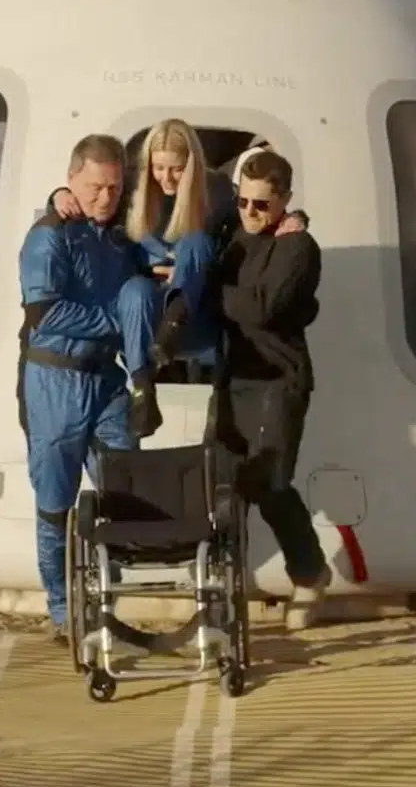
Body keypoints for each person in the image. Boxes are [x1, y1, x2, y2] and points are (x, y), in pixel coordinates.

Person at [45, 121, 307, 436]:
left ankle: (174, 321)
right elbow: (95, 207)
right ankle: (142, 390)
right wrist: (58, 195)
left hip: (192, 314)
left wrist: (294, 218)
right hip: (144, 318)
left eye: (177, 169)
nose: (166, 178)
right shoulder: (133, 190)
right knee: (135, 290)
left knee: (196, 241)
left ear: (192, 165)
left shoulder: (216, 190)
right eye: (159, 168)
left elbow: (253, 216)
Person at [17, 133, 150, 642]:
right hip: (55, 380)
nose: (105, 197)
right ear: (72, 179)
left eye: (114, 188)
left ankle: (106, 598)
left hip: (105, 379)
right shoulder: (49, 236)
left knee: (124, 482)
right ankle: (61, 610)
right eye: (95, 187)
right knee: (55, 501)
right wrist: (116, 320)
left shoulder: (119, 239)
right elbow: (44, 312)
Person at [209, 150, 330, 631]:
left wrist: (208, 290)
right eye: (243, 201)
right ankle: (223, 589)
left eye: (261, 204)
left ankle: (310, 572)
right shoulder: (236, 235)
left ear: (284, 200)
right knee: (222, 484)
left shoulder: (298, 247)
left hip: (278, 379)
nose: (250, 212)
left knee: (271, 483)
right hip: (234, 377)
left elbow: (263, 309)